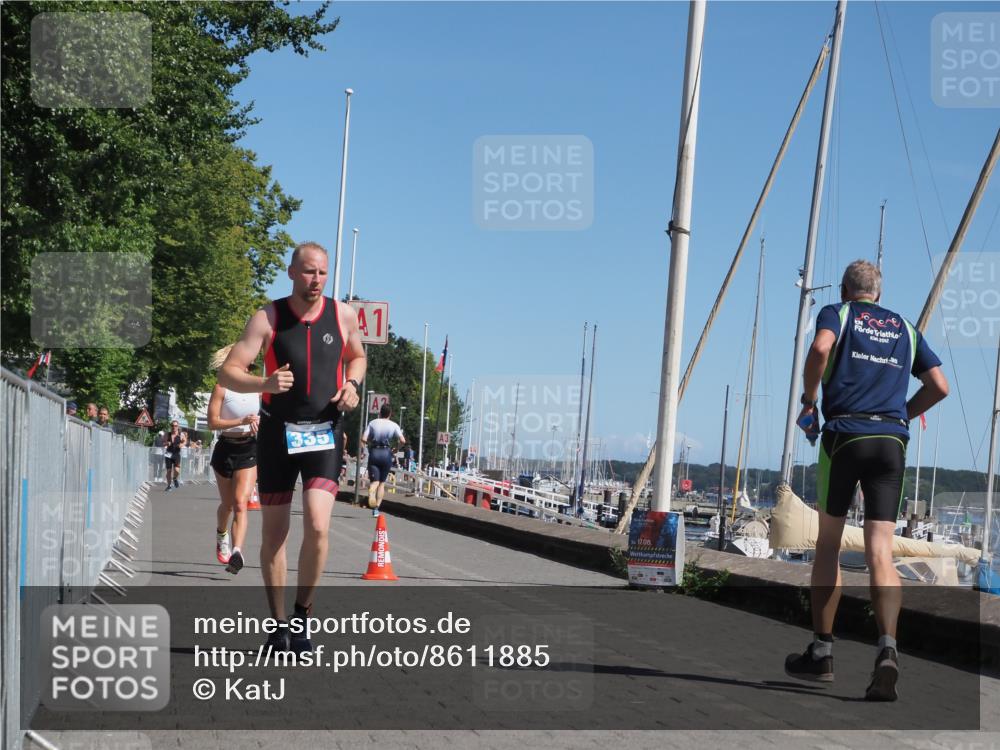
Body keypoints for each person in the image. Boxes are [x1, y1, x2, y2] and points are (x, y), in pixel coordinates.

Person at [783, 260, 949, 701]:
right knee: (881, 551)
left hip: (844, 436)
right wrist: (901, 417)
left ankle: (822, 651)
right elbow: (940, 386)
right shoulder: (906, 329)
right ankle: (888, 648)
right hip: (890, 443)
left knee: (829, 545)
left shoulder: (838, 313)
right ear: (879, 291)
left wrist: (809, 399)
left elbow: (820, 350)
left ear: (845, 289)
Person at [219, 241, 365, 654]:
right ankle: (279, 625)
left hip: (323, 433)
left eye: (321, 272)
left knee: (318, 524)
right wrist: (263, 384)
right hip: (276, 433)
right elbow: (230, 371)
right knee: (275, 534)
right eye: (307, 272)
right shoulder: (268, 317)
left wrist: (352, 385)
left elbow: (357, 357)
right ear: (291, 272)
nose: (315, 280)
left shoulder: (343, 315)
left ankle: (302, 618)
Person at [207, 344, 261, 575]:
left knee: (241, 503)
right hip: (225, 448)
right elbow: (213, 422)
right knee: (228, 504)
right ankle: (222, 534)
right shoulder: (221, 388)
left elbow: (270, 413)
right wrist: (240, 421)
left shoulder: (259, 388)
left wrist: (261, 423)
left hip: (249, 448)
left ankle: (237, 552)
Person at [361, 404, 406, 517]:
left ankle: (372, 489)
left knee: (375, 481)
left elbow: (363, 439)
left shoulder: (372, 422)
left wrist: (366, 449)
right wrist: (396, 449)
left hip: (374, 452)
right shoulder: (394, 425)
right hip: (386, 453)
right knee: (382, 483)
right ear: (390, 414)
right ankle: (376, 509)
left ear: (380, 412)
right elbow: (402, 440)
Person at [164, 421, 183, 491]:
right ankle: (169, 486)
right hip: (168, 454)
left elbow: (185, 441)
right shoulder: (167, 434)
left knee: (177, 470)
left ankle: (175, 478)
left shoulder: (181, 434)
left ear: (178, 426)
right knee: (169, 471)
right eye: (172, 425)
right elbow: (163, 442)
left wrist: (182, 445)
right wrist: (166, 443)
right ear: (170, 426)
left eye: (175, 426)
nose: (174, 427)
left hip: (176, 454)